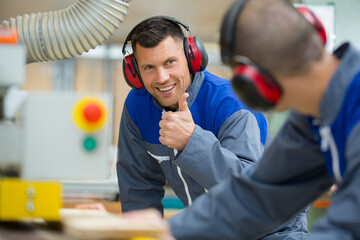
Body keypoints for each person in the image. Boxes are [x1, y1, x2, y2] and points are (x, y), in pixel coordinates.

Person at [156, 0, 360, 239]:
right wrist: (164, 230)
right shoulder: (313, 119)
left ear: (255, 80)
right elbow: (258, 195)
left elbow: (348, 227)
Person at [117, 15, 308, 238]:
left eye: (170, 62)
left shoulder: (232, 104)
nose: (162, 77)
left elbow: (248, 189)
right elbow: (139, 192)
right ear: (134, 72)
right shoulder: (137, 107)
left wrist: (192, 141)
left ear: (191, 57)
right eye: (149, 67)